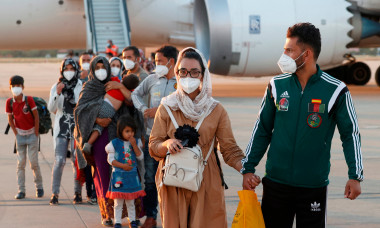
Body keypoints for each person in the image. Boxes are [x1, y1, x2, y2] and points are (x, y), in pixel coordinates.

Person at [241, 23, 363, 228]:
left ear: (306, 55)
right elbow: (262, 129)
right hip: (276, 185)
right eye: (284, 50)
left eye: (289, 50)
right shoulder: (276, 85)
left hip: (312, 187)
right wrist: (248, 167)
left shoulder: (336, 90)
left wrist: (355, 176)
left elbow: (350, 134)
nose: (284, 55)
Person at [149, 47, 244, 227]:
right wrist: (167, 143)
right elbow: (154, 145)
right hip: (173, 180)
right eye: (183, 71)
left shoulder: (216, 110)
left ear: (202, 76)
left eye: (194, 72)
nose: (188, 76)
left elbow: (230, 149)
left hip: (206, 181)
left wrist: (246, 171)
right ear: (176, 73)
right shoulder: (167, 106)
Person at [74, 56, 143, 227]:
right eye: (96, 67)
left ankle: (129, 214)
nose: (100, 69)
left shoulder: (118, 84)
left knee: (125, 173)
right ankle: (108, 214)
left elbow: (133, 103)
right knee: (103, 174)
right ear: (92, 69)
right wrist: (97, 119)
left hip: (118, 136)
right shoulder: (89, 87)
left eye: (102, 66)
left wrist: (120, 87)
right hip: (98, 139)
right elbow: (79, 112)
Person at [131, 45, 179, 228]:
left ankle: (174, 218)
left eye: (159, 61)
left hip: (174, 141)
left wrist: (158, 111)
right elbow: (135, 94)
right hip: (152, 138)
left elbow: (185, 105)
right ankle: (151, 216)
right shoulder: (152, 79)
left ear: (171, 61)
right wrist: (144, 110)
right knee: (150, 179)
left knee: (173, 180)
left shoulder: (181, 82)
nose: (155, 64)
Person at [48, 59, 83, 205]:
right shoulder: (56, 86)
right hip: (62, 128)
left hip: (77, 128)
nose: (69, 71)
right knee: (60, 161)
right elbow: (51, 107)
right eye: (66, 68)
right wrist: (57, 93)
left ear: (76, 70)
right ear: (61, 70)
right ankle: (55, 193)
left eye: (71, 68)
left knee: (76, 162)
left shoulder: (81, 85)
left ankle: (77, 193)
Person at [6, 75, 43, 200]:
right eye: (14, 86)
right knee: (20, 164)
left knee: (34, 163)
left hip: (32, 134)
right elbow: (10, 119)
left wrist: (36, 132)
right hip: (20, 136)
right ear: (10, 87)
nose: (16, 88)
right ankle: (21, 190)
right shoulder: (9, 102)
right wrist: (16, 133)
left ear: (23, 87)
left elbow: (36, 116)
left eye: (18, 86)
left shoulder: (29, 100)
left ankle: (39, 187)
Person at [82, 74, 140, 154]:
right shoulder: (126, 93)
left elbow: (108, 77)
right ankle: (88, 144)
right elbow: (131, 98)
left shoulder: (115, 81)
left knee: (92, 119)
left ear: (123, 78)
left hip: (101, 104)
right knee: (99, 128)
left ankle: (84, 138)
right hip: (109, 111)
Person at [105, 115, 146, 228]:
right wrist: (122, 166)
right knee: (118, 202)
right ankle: (117, 221)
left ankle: (132, 220)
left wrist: (134, 145)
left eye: (132, 131)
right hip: (119, 176)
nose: (130, 134)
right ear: (120, 131)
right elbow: (110, 160)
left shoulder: (136, 142)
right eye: (127, 131)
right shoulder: (114, 143)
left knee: (131, 201)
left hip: (132, 177)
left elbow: (140, 157)